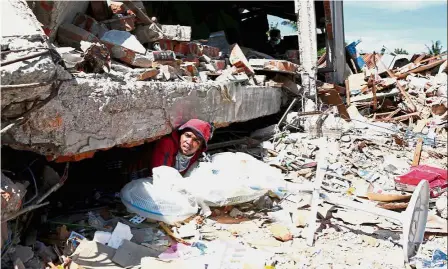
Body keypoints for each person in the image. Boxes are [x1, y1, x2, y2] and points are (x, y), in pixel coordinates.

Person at [149, 119, 213, 176]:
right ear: (180, 134)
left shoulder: (196, 154)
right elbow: (161, 176)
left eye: (196, 140)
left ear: (200, 146)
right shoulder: (167, 144)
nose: (189, 142)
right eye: (187, 135)